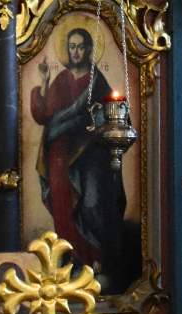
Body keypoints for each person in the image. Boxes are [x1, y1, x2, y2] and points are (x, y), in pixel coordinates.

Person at [29, 27, 127, 279]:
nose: (75, 52)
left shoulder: (96, 81)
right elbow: (44, 115)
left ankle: (95, 260)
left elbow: (108, 115)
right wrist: (44, 81)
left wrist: (90, 124)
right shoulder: (62, 79)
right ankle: (71, 260)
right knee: (63, 207)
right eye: (71, 46)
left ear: (89, 49)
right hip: (59, 155)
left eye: (80, 47)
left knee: (91, 205)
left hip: (88, 154)